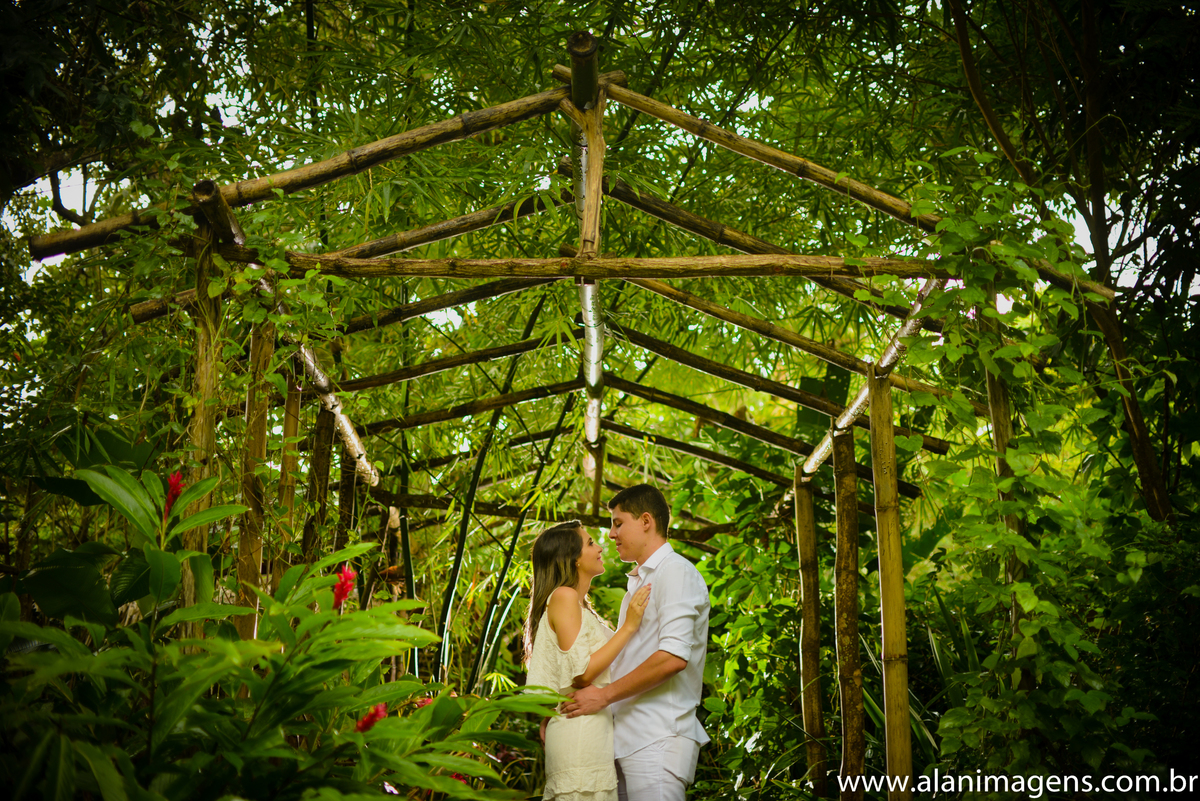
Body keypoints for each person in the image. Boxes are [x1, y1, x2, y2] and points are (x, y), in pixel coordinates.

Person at [562, 484, 711, 801]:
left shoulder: (676, 572)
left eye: (618, 523)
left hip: (658, 738)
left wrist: (603, 697)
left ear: (646, 521)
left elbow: (673, 657)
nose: (611, 535)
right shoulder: (639, 583)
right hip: (627, 740)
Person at [524, 520, 653, 801]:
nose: (601, 546)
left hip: (590, 731)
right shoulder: (564, 596)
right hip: (579, 733)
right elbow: (581, 673)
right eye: (591, 543)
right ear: (573, 560)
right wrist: (629, 626)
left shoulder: (578, 604)